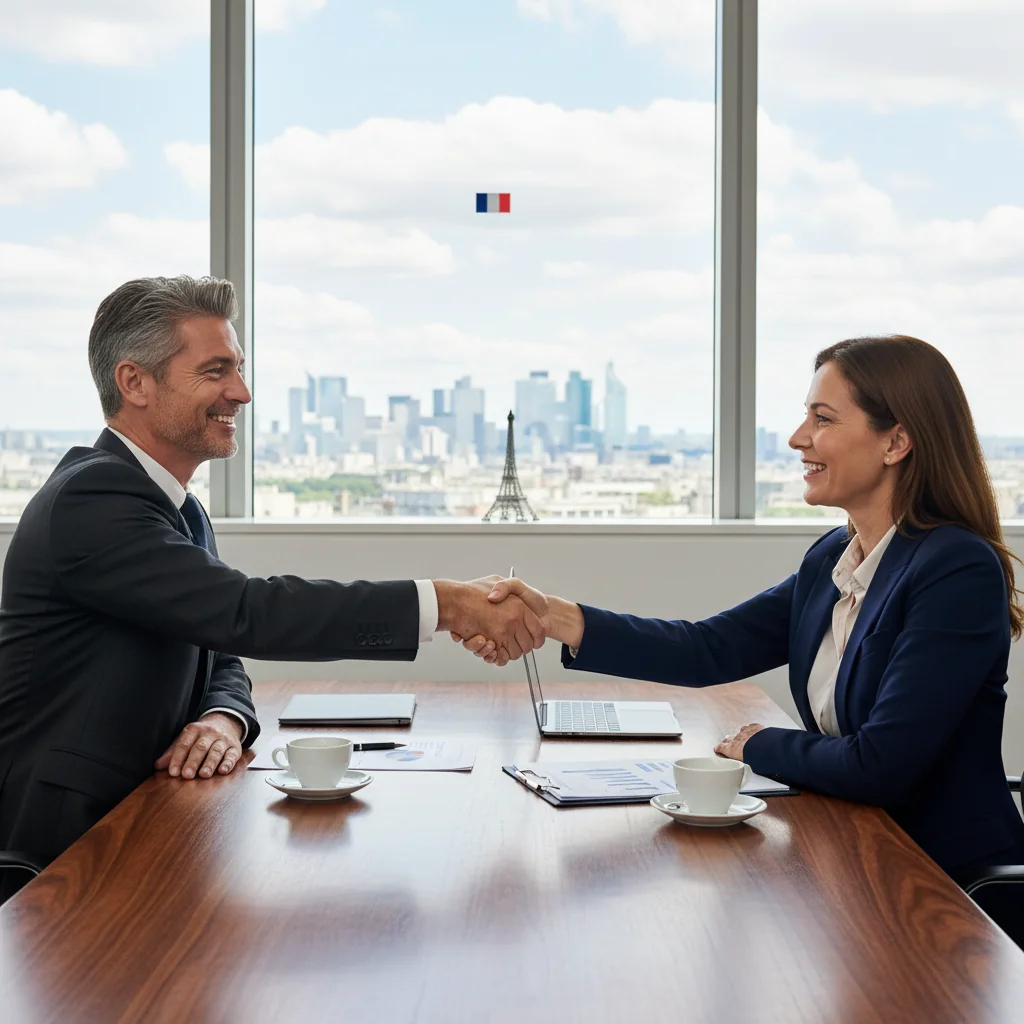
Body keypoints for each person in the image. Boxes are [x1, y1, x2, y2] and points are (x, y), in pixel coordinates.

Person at [0, 275, 542, 885]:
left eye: (238, 368)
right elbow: (248, 612)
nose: (242, 392)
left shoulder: (177, 508)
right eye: (215, 371)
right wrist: (445, 604)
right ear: (135, 382)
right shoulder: (92, 499)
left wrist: (222, 719)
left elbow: (220, 651)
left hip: (148, 827)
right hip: (62, 857)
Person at [459, 335, 1024, 882]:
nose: (798, 438)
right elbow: (707, 649)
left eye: (823, 419)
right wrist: (553, 616)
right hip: (850, 856)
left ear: (895, 443)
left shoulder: (955, 570)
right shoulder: (834, 556)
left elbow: (879, 766)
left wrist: (757, 743)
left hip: (940, 885)